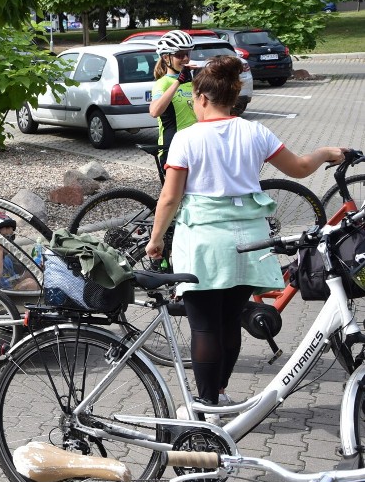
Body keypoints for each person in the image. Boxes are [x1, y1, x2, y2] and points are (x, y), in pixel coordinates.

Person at [144, 55, 344, 416]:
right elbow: (299, 168)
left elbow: (170, 196)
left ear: (203, 98)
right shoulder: (255, 131)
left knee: (204, 327)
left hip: (204, 241)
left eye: (193, 99)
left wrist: (156, 238)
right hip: (250, 241)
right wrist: (328, 152)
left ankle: (204, 409)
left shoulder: (186, 139)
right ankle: (219, 395)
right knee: (231, 319)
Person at [149, 30, 198, 166]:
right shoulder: (163, 83)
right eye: (179, 55)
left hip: (194, 146)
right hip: (172, 148)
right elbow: (154, 111)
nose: (185, 59)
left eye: (187, 54)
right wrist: (178, 82)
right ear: (166, 58)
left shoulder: (191, 80)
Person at [0, 213, 39, 290]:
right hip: (4, 295)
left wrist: (32, 272)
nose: (10, 241)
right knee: (31, 283)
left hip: (12, 287)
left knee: (34, 274)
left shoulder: (6, 258)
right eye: (5, 238)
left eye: (12, 237)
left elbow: (15, 280)